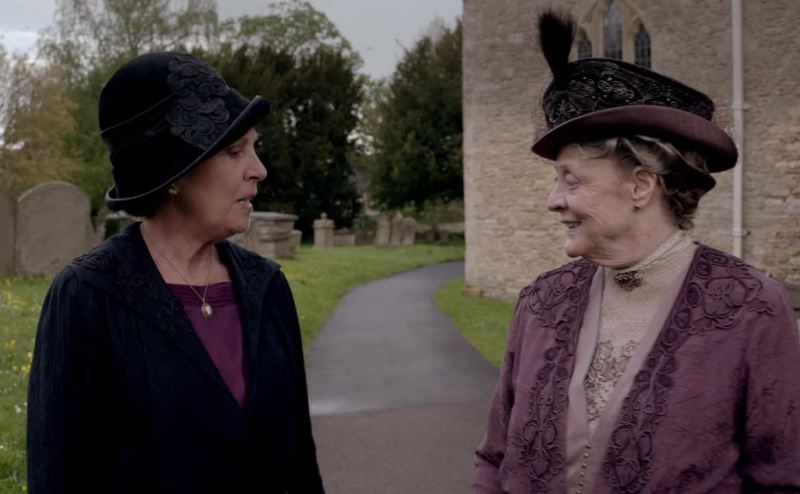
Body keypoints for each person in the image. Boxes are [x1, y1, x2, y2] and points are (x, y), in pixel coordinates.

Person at [472, 11, 800, 494]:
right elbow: (494, 460)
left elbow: (781, 479)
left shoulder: (751, 308)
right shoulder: (540, 302)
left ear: (641, 186)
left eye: (571, 180)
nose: (553, 201)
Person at [27, 52, 325, 493]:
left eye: (254, 148)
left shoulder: (267, 287)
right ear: (175, 172)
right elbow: (57, 476)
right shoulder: (89, 295)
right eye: (235, 150)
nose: (259, 170)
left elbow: (300, 461)